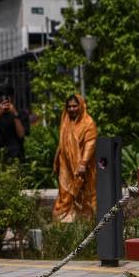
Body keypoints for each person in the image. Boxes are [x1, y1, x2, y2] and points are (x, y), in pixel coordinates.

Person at [52, 94, 97, 222]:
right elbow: (62, 143)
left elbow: (91, 143)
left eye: (74, 106)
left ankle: (85, 223)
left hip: (83, 169)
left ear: (81, 106)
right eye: (69, 106)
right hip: (66, 168)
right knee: (64, 196)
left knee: (84, 197)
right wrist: (56, 161)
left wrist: (83, 163)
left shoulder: (88, 123)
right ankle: (62, 223)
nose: (71, 109)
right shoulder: (65, 120)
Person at [0, 84, 30, 161]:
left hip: (16, 156)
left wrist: (14, 113)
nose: (5, 100)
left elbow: (21, 135)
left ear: (13, 97)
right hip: (0, 155)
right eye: (2, 97)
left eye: (7, 97)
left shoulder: (21, 113)